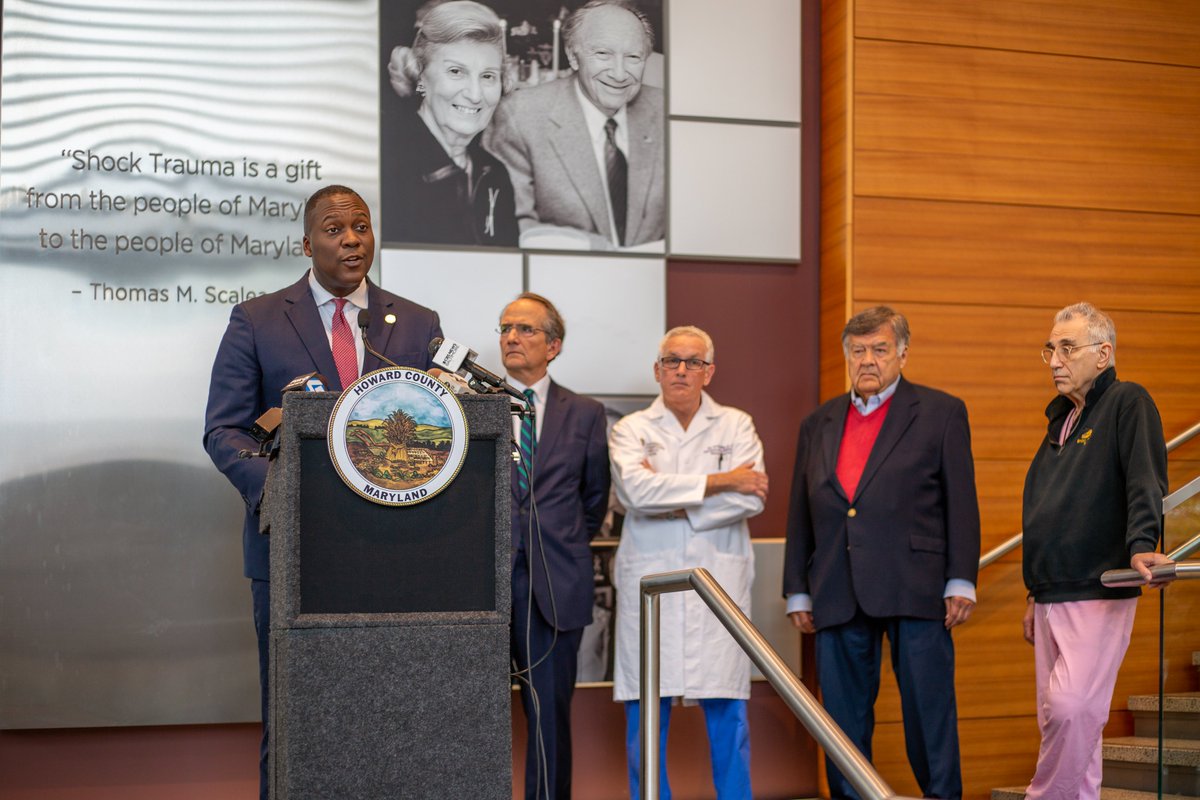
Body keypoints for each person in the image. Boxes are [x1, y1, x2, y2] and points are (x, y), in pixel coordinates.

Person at [202, 184, 442, 800]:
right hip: (293, 549)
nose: (352, 239)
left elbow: (440, 430)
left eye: (361, 226)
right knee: (295, 716)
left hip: (395, 550)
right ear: (307, 244)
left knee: (389, 718)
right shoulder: (256, 319)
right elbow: (223, 429)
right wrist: (284, 492)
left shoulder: (415, 323)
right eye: (335, 229)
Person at [782, 306, 980, 800]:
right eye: (858, 350)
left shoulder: (942, 412)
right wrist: (797, 590)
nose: (867, 360)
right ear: (847, 355)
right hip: (835, 586)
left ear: (903, 353)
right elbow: (800, 511)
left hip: (918, 586)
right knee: (842, 724)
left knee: (928, 714)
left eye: (879, 349)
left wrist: (961, 578)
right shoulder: (818, 422)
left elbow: (963, 502)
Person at [609, 326, 768, 800]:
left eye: (693, 362)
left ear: (709, 372)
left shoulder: (736, 424)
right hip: (650, 577)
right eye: (672, 361)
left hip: (718, 578)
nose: (681, 370)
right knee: (646, 717)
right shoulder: (630, 428)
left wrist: (670, 498)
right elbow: (636, 492)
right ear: (656, 370)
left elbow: (754, 497)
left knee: (728, 714)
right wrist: (722, 482)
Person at [1022, 302, 1171, 800]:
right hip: (1049, 594)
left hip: (1098, 587)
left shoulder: (1128, 402)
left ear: (1103, 354)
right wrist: (1032, 592)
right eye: (1051, 349)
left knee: (1073, 711)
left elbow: (1145, 478)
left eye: (1068, 348)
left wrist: (1143, 545)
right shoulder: (1061, 422)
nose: (1056, 360)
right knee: (1060, 722)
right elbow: (1046, 514)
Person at [501, 292, 610, 800]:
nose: (511, 338)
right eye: (505, 329)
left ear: (554, 345)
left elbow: (593, 499)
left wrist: (553, 543)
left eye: (525, 329)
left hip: (554, 587)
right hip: (486, 590)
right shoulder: (471, 408)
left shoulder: (585, 414)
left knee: (548, 719)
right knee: (464, 719)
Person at [485, 0, 664, 250]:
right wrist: (585, 246)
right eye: (603, 54)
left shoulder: (667, 112)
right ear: (572, 56)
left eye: (633, 57)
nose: (620, 73)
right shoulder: (521, 115)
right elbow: (509, 224)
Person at [385, 0, 518, 246]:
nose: (475, 95)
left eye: (488, 76)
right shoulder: (386, 167)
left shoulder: (494, 174)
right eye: (456, 72)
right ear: (420, 75)